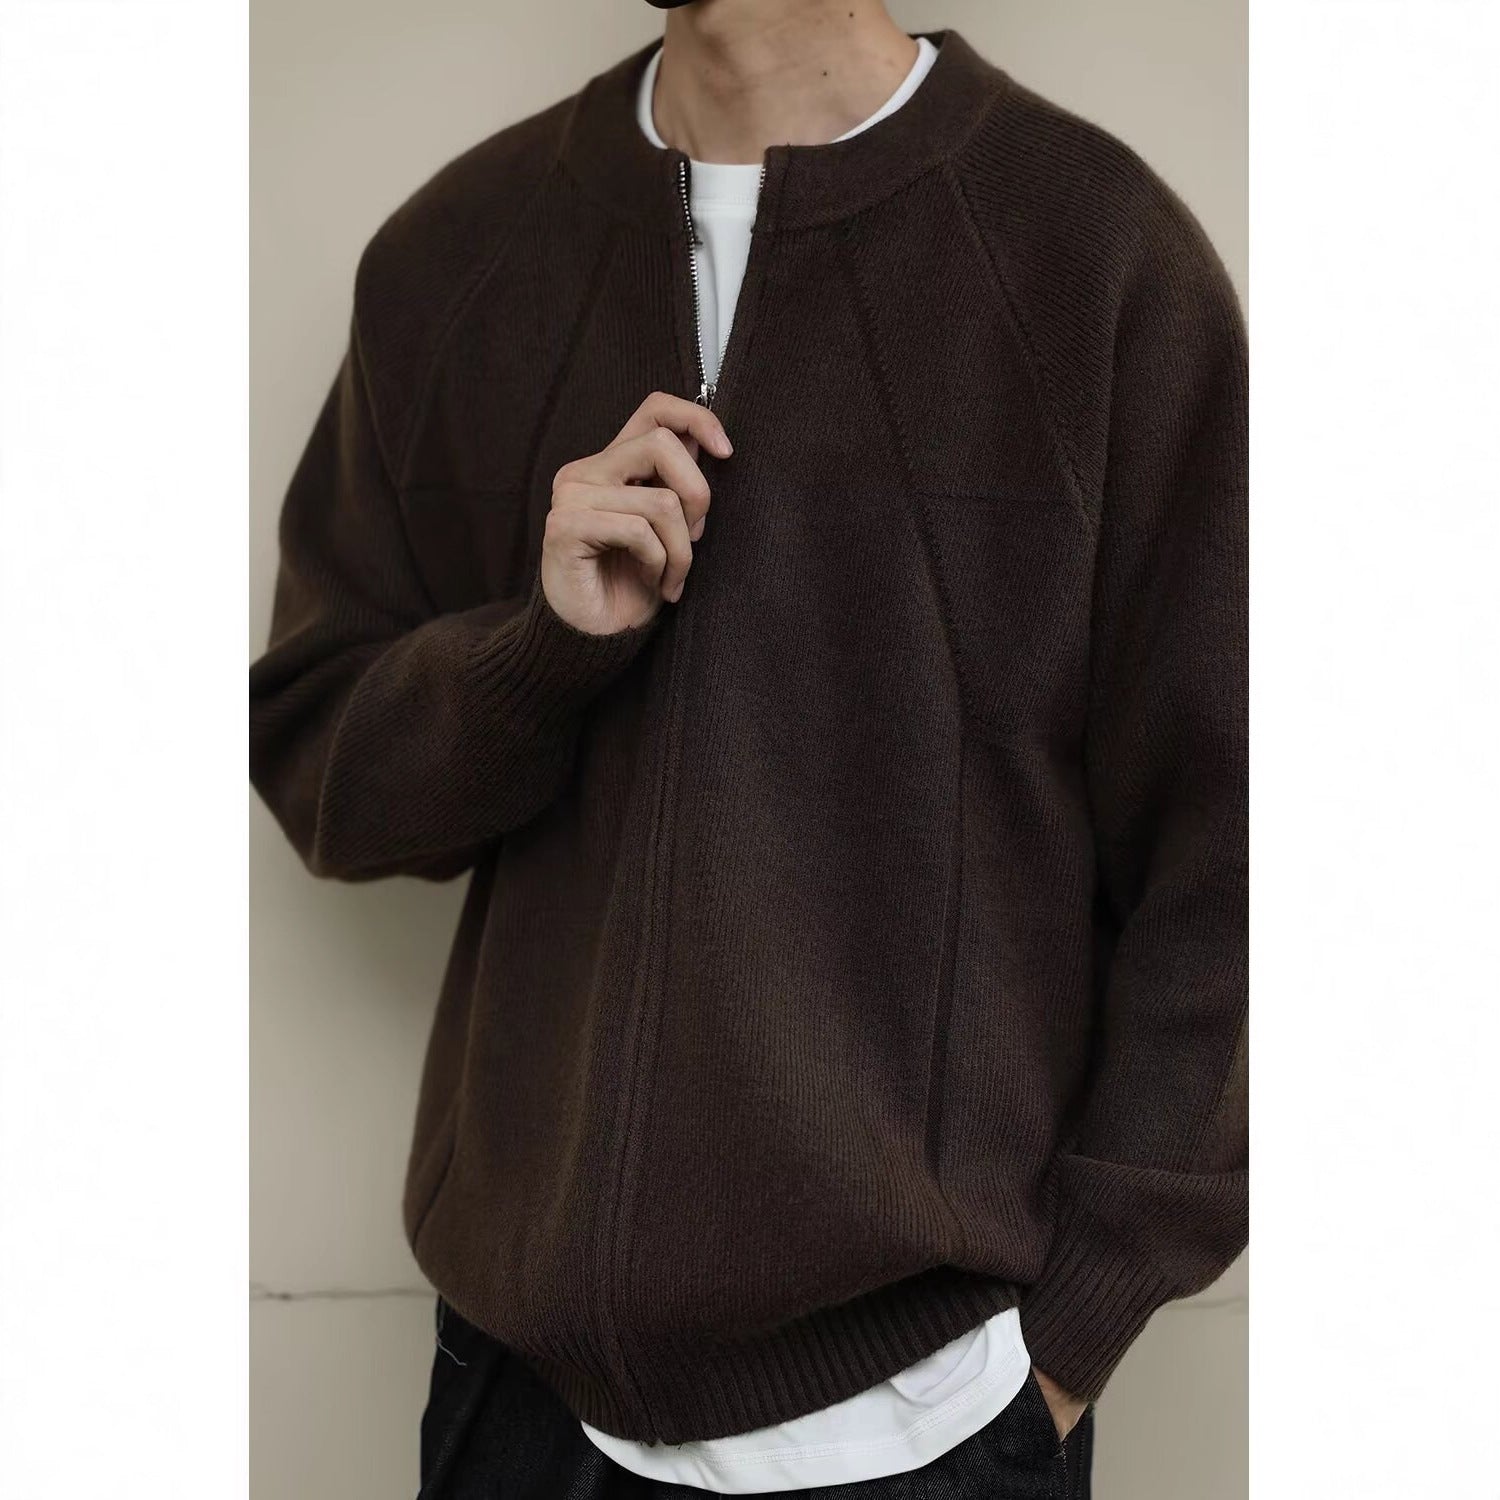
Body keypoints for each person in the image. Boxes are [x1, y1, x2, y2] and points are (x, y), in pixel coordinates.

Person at [249, 0, 1247, 1494]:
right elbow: (324, 763)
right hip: (523, 1406)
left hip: (931, 1417)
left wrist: (1075, 1330)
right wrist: (539, 654)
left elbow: (1238, 849)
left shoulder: (1096, 255)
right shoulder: (455, 254)